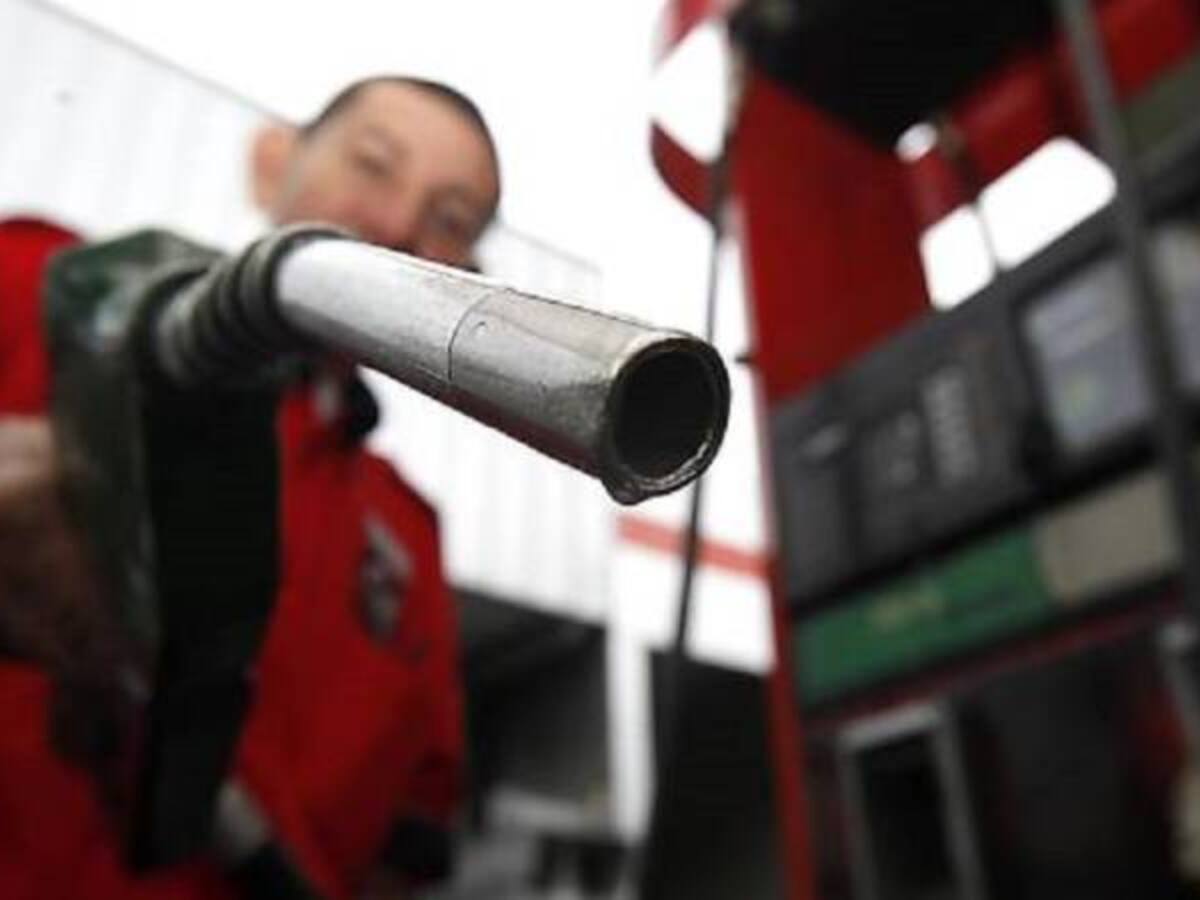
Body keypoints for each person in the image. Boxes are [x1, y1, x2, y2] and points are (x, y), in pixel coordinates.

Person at [0, 74, 502, 899]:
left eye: (448, 220)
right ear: (274, 164)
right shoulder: (39, 292)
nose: (396, 228)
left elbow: (413, 830)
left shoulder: (407, 542)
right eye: (373, 165)